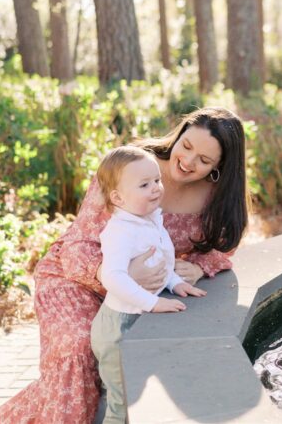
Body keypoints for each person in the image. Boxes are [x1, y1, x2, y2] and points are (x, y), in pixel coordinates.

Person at [0, 107, 247, 424]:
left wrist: (200, 266)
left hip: (130, 297)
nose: (188, 161)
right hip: (75, 277)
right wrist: (118, 276)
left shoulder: (215, 198)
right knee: (77, 348)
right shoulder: (131, 165)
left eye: (204, 161)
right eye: (186, 145)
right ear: (179, 134)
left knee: (105, 368)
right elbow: (79, 242)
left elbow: (225, 247)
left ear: (220, 168)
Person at [90, 145, 206, 424]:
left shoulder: (149, 219)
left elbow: (160, 259)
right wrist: (153, 302)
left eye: (157, 181)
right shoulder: (120, 230)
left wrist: (175, 282)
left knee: (144, 395)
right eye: (144, 184)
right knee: (124, 402)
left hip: (137, 317)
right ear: (118, 197)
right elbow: (113, 277)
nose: (156, 188)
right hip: (118, 327)